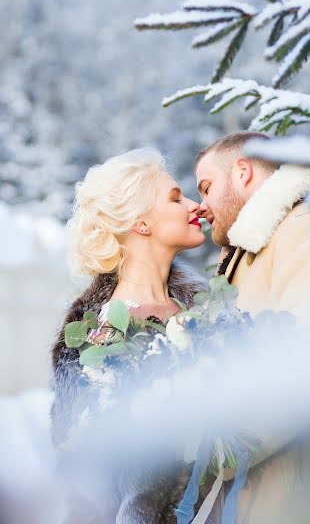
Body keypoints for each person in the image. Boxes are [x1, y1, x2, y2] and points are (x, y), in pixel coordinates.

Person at [195, 130, 310, 523]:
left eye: (207, 187)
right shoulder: (260, 249)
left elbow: (303, 376)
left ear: (243, 172)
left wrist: (207, 447)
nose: (202, 206)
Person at [51, 148, 208, 523]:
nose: (194, 206)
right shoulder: (99, 338)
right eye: (175, 198)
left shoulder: (205, 311)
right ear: (141, 224)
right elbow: (88, 485)